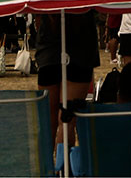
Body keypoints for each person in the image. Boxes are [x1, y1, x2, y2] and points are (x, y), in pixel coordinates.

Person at [35, 11, 101, 153]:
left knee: (48, 121)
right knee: (67, 120)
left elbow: (38, 18)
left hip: (49, 50)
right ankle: (63, 169)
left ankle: (46, 169)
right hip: (81, 50)